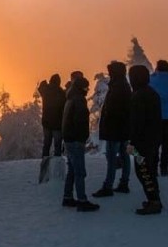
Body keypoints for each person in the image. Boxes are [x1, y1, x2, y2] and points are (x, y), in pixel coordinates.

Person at [127, 65, 163, 215]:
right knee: (149, 170)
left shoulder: (139, 96)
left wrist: (132, 142)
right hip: (152, 139)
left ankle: (154, 201)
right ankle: (154, 199)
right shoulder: (151, 93)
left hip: (141, 142)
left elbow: (137, 122)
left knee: (144, 171)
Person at [92, 61, 131, 197]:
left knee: (112, 157)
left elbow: (113, 110)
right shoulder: (123, 86)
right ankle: (123, 183)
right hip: (122, 129)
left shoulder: (117, 87)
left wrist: (108, 126)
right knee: (124, 156)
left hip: (115, 130)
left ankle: (108, 186)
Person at [61, 75, 99, 212]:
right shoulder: (79, 100)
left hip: (69, 139)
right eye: (86, 87)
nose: (87, 90)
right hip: (76, 140)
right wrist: (83, 137)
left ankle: (67, 197)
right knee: (79, 171)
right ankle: (82, 200)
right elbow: (80, 121)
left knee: (72, 170)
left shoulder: (70, 98)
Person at [38, 74, 66, 157]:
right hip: (57, 123)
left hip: (46, 122)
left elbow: (40, 88)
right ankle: (57, 162)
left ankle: (44, 161)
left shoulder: (46, 90)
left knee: (47, 144)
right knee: (57, 145)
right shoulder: (61, 92)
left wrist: (44, 83)